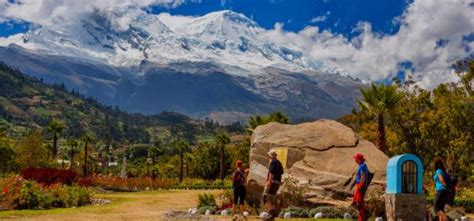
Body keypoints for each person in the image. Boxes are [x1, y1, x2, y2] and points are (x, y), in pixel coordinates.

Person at [262, 150, 284, 221]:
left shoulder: (273, 162)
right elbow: (281, 173)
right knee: (271, 198)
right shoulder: (279, 163)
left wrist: (269, 181)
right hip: (277, 183)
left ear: (270, 156)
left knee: (265, 197)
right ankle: (271, 216)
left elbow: (271, 173)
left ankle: (271, 213)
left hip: (272, 182)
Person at [352, 153, 369, 221]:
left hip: (360, 185)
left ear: (358, 159)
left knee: (359, 203)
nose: (355, 160)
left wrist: (359, 185)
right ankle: (361, 217)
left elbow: (363, 176)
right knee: (358, 201)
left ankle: (362, 218)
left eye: (356, 159)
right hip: (361, 185)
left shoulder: (362, 166)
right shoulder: (363, 165)